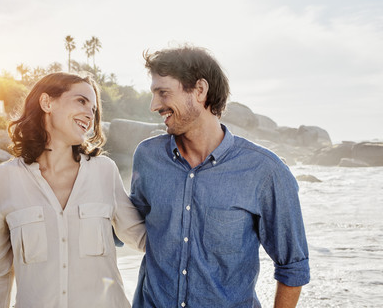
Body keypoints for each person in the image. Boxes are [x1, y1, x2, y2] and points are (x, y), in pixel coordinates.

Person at [130, 46, 310, 308]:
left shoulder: (265, 171)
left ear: (200, 90)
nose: (154, 105)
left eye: (163, 93)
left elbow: (293, 266)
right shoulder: (147, 157)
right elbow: (128, 224)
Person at [0, 72, 146, 308]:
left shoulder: (104, 172)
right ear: (47, 103)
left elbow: (142, 238)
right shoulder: (3, 179)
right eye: (81, 101)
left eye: (94, 109)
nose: (90, 114)